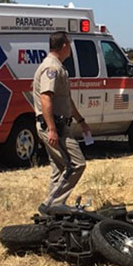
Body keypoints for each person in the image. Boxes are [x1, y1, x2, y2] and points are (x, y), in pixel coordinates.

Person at [33, 31, 92, 209]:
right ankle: (51, 205)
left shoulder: (59, 67)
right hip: (54, 127)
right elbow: (46, 97)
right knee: (76, 164)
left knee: (59, 169)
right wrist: (51, 128)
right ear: (65, 45)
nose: (71, 49)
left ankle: (54, 212)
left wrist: (81, 121)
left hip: (60, 125)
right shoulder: (51, 68)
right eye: (70, 45)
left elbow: (66, 100)